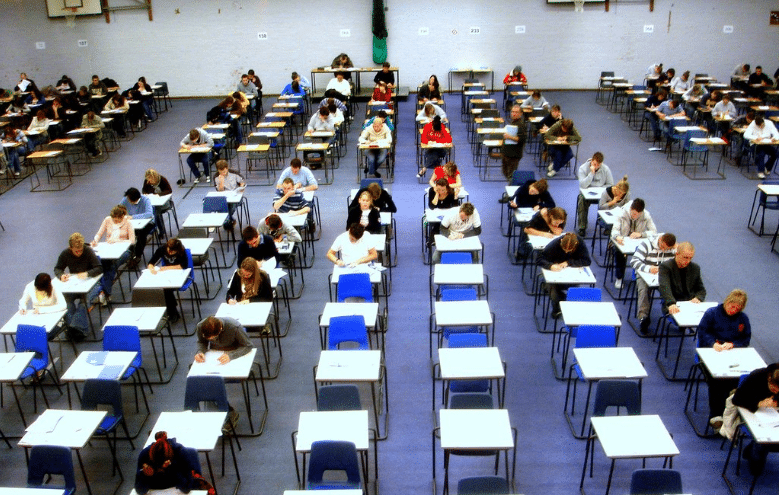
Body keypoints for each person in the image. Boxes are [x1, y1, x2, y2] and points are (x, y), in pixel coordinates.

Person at [698, 289, 751, 429]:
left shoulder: (743, 319)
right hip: (710, 353)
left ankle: (731, 413)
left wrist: (734, 344)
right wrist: (713, 344)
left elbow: (745, 339)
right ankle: (716, 415)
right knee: (717, 380)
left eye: (737, 308)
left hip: (732, 356)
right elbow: (703, 332)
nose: (733, 310)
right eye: (732, 306)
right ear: (727, 302)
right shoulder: (711, 313)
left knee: (739, 379)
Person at [731, 362, 779, 476]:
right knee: (757, 467)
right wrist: (758, 403)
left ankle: (754, 449)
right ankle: (755, 452)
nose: (776, 392)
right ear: (769, 379)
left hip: (774, 416)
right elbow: (737, 399)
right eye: (773, 388)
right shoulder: (756, 376)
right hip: (750, 411)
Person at [53, 233, 103, 341]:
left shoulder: (88, 251)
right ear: (70, 248)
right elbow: (57, 268)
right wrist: (61, 275)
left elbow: (99, 268)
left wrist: (87, 273)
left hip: (93, 284)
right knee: (67, 302)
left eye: (80, 250)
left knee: (83, 303)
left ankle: (77, 330)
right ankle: (74, 328)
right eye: (76, 251)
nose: (79, 253)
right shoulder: (65, 254)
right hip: (75, 285)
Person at [630, 233, 677, 333]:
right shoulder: (646, 244)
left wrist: (677, 250)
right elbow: (634, 261)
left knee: (675, 288)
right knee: (643, 290)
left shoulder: (672, 249)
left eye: (667, 249)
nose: (664, 250)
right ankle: (643, 317)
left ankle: (673, 314)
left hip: (663, 276)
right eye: (662, 247)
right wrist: (649, 268)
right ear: (660, 240)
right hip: (644, 273)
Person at [537, 232, 592, 317]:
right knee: (553, 288)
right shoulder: (554, 244)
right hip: (555, 274)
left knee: (574, 289)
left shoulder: (580, 243)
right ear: (561, 241)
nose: (566, 252)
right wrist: (550, 266)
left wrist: (568, 262)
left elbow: (587, 261)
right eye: (564, 249)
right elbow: (539, 259)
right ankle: (557, 309)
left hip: (571, 275)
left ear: (575, 245)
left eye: (569, 251)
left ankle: (566, 300)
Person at [91, 205, 135, 306]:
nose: (115, 222)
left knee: (111, 267)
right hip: (108, 249)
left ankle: (104, 293)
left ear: (122, 217)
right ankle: (105, 294)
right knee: (103, 266)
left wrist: (118, 240)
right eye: (114, 220)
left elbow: (132, 241)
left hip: (124, 251)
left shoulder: (128, 223)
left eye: (117, 220)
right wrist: (95, 240)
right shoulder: (107, 220)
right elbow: (100, 233)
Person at [610, 198, 657, 289]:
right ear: (631, 209)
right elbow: (614, 230)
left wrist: (641, 234)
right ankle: (619, 278)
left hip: (637, 241)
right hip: (623, 240)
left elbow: (654, 231)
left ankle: (639, 278)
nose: (636, 216)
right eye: (634, 214)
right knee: (619, 252)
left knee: (646, 252)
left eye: (639, 215)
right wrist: (617, 237)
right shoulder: (621, 213)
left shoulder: (646, 215)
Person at [134, 431, 196, 495]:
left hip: (176, 489)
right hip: (154, 490)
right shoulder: (144, 455)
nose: (160, 468)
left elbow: (187, 488)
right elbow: (140, 491)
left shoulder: (180, 452)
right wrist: (145, 476)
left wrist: (171, 468)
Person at [147, 238, 189, 324]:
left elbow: (184, 265)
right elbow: (151, 262)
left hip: (180, 274)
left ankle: (172, 312)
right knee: (163, 287)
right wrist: (151, 269)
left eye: (172, 252)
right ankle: (172, 311)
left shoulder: (182, 250)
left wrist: (167, 267)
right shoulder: (162, 249)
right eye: (169, 250)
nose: (169, 253)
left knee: (166, 289)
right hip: (167, 275)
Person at [658, 241, 706, 315]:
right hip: (673, 302)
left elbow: (701, 289)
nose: (687, 261)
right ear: (677, 254)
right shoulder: (666, 267)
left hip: (691, 304)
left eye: (690, 258)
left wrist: (698, 298)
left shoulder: (695, 268)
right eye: (685, 257)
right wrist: (671, 303)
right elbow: (664, 287)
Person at [576, 152, 614, 236]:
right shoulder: (582, 168)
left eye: (598, 165)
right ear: (591, 161)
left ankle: (608, 226)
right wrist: (591, 173)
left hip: (601, 195)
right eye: (594, 164)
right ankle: (582, 227)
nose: (596, 166)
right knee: (581, 200)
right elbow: (582, 185)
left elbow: (610, 185)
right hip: (586, 195)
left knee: (612, 200)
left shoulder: (606, 169)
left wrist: (600, 189)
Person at [121, 187, 155, 266]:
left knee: (141, 234)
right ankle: (129, 253)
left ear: (135, 199)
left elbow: (149, 214)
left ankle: (138, 255)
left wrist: (133, 217)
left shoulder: (146, 200)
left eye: (130, 200)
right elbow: (119, 209)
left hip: (148, 223)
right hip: (133, 223)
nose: (128, 201)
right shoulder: (125, 199)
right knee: (124, 232)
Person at [214, 159, 245, 228]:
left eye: (224, 171)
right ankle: (229, 220)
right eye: (221, 172)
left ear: (227, 168)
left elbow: (242, 183)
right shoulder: (216, 177)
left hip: (235, 197)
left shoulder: (234, 173)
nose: (223, 173)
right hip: (224, 197)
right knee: (220, 205)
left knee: (231, 205)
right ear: (218, 170)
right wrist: (221, 182)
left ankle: (226, 220)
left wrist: (241, 187)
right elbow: (219, 191)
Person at [502, 104, 526, 179]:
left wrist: (509, 137)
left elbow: (522, 139)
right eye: (512, 111)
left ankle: (511, 189)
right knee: (506, 173)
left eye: (516, 112)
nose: (513, 113)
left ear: (521, 114)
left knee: (511, 176)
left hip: (514, 155)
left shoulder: (521, 125)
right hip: (507, 153)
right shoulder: (513, 123)